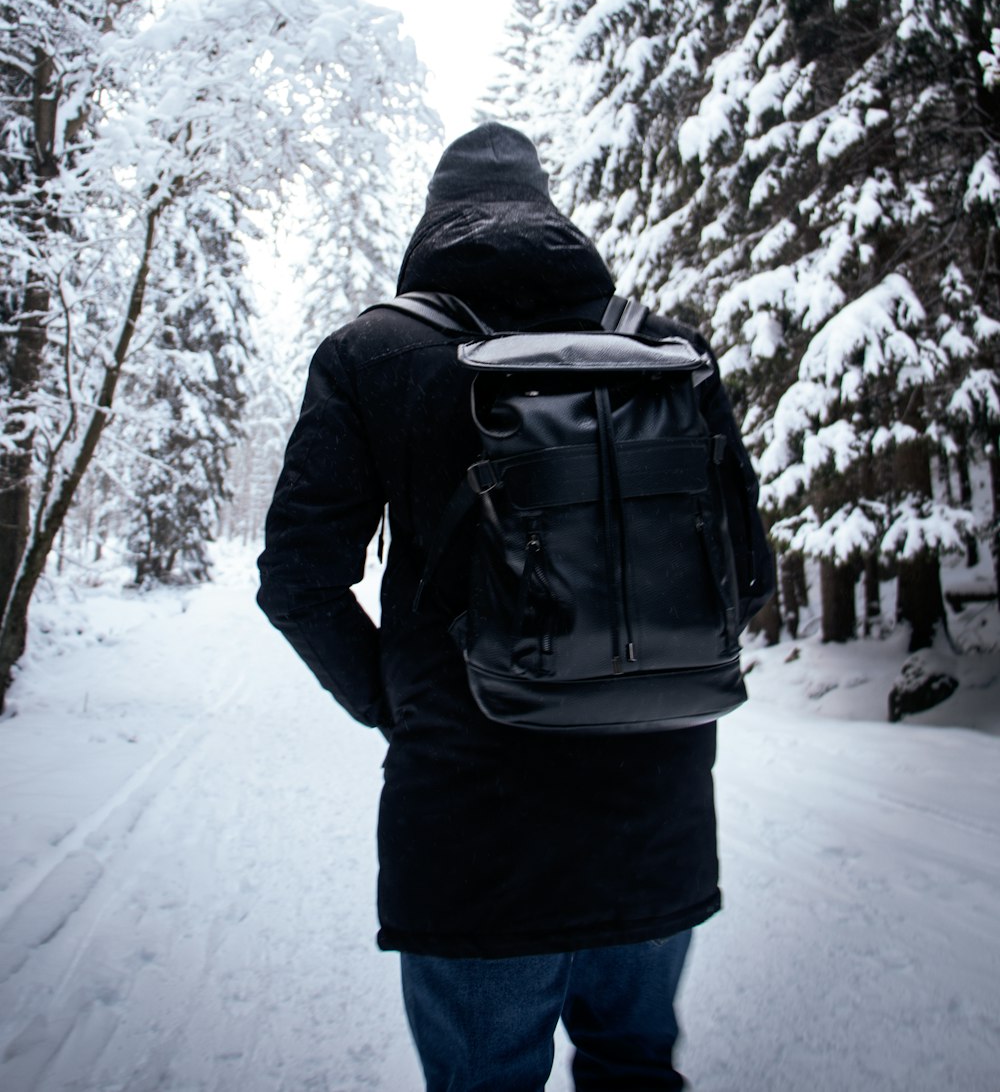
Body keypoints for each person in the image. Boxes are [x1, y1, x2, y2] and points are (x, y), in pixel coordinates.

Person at [258, 122, 774, 1092]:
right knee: (634, 1068)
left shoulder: (370, 355)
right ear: (551, 214)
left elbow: (297, 579)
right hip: (651, 816)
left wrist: (398, 703)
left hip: (469, 825)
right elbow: (745, 574)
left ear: (432, 223)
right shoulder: (666, 351)